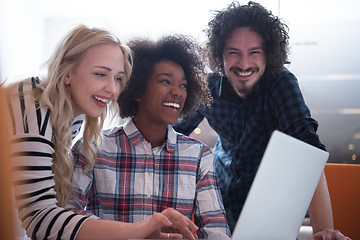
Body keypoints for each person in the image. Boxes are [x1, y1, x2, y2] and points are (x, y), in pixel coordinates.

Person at [173, 2, 350, 239]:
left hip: (269, 214)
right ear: (220, 55)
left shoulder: (281, 84)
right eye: (233, 52)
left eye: (254, 52)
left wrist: (324, 232)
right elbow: (170, 134)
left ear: (269, 54)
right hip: (216, 210)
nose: (244, 64)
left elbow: (308, 153)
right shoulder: (210, 87)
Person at [5, 24, 198, 240]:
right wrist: (139, 229)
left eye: (117, 78)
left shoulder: (71, 117)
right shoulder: (32, 111)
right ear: (67, 73)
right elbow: (39, 219)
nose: (113, 89)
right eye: (100, 74)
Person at [66, 35, 231, 239]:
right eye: (165, 81)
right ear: (137, 89)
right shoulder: (92, 148)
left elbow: (216, 231)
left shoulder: (199, 156)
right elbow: (65, 217)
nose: (177, 92)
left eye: (183, 85)